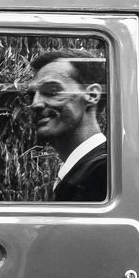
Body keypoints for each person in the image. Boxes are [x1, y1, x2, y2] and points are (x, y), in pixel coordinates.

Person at [28, 52, 110, 202]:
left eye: (52, 91)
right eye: (31, 95)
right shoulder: (87, 168)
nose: (35, 104)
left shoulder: (104, 172)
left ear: (92, 95)